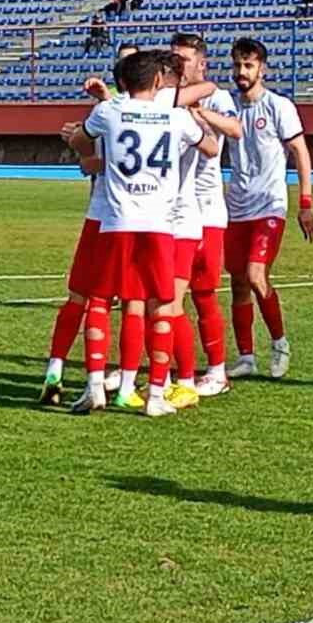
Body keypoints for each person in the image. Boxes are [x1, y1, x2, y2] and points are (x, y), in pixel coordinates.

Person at [64, 51, 220, 416]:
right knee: (162, 305)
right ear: (156, 82)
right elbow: (211, 149)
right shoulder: (175, 117)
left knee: (101, 301)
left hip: (117, 222)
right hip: (159, 225)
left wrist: (96, 157)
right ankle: (154, 397)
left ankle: (94, 386)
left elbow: (79, 139)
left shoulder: (109, 111)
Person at [224, 37, 313, 380]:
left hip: (269, 207)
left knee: (255, 275)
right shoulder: (228, 107)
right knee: (237, 282)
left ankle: (280, 344)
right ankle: (246, 357)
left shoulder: (278, 106)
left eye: (248, 65)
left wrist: (305, 203)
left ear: (262, 68)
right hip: (236, 208)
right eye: (237, 65)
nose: (241, 72)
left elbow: (301, 153)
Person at [170, 32, 242, 399]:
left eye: (184, 60)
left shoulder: (218, 97)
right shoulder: (167, 97)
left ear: (202, 64)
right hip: (171, 211)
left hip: (207, 209)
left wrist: (199, 113)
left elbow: (235, 129)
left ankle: (216, 369)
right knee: (166, 293)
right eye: (174, 59)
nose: (178, 67)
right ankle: (165, 369)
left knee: (203, 292)